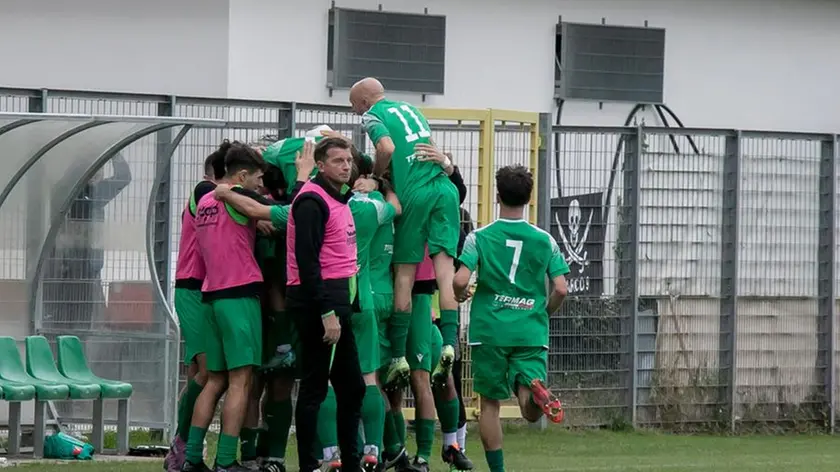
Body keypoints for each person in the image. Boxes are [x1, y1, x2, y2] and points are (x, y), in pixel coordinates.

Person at [453, 165, 569, 472]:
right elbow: (560, 287)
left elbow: (461, 280)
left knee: (489, 404)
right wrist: (543, 312)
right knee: (530, 412)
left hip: (489, 330)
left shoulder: (479, 237)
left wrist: (461, 293)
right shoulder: (545, 240)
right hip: (529, 330)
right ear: (529, 199)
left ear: (498, 195)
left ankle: (498, 471)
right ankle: (534, 389)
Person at [350, 78, 462, 392]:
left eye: (354, 106)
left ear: (363, 101)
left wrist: (376, 175)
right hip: (444, 188)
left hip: (416, 195)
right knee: (444, 271)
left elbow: (386, 148)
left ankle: (398, 356)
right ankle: (450, 344)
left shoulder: (372, 114)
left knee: (404, 274)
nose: (356, 112)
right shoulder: (412, 109)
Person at [214, 142, 317, 472]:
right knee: (251, 382)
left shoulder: (292, 201)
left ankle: (272, 455)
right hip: (250, 303)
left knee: (279, 382)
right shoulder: (246, 199)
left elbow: (282, 214)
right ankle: (247, 454)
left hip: (282, 306)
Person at [182, 142, 266, 472]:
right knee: (240, 381)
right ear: (241, 176)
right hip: (239, 296)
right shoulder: (236, 199)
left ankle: (191, 458)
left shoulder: (203, 200)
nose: (260, 185)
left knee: (214, 379)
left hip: (211, 296)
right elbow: (269, 213)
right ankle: (227, 460)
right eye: (257, 178)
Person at [286, 137, 366, 472]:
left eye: (348, 160)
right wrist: (327, 313)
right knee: (315, 389)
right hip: (320, 306)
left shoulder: (340, 197)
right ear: (320, 165)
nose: (346, 166)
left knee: (353, 387)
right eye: (338, 161)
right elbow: (307, 263)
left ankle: (351, 461)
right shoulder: (311, 202)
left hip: (339, 302)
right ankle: (309, 464)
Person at [164, 144, 227, 472]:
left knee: (199, 373)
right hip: (192, 289)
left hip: (209, 290)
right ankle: (182, 446)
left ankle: (184, 444)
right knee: (207, 372)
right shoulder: (205, 190)